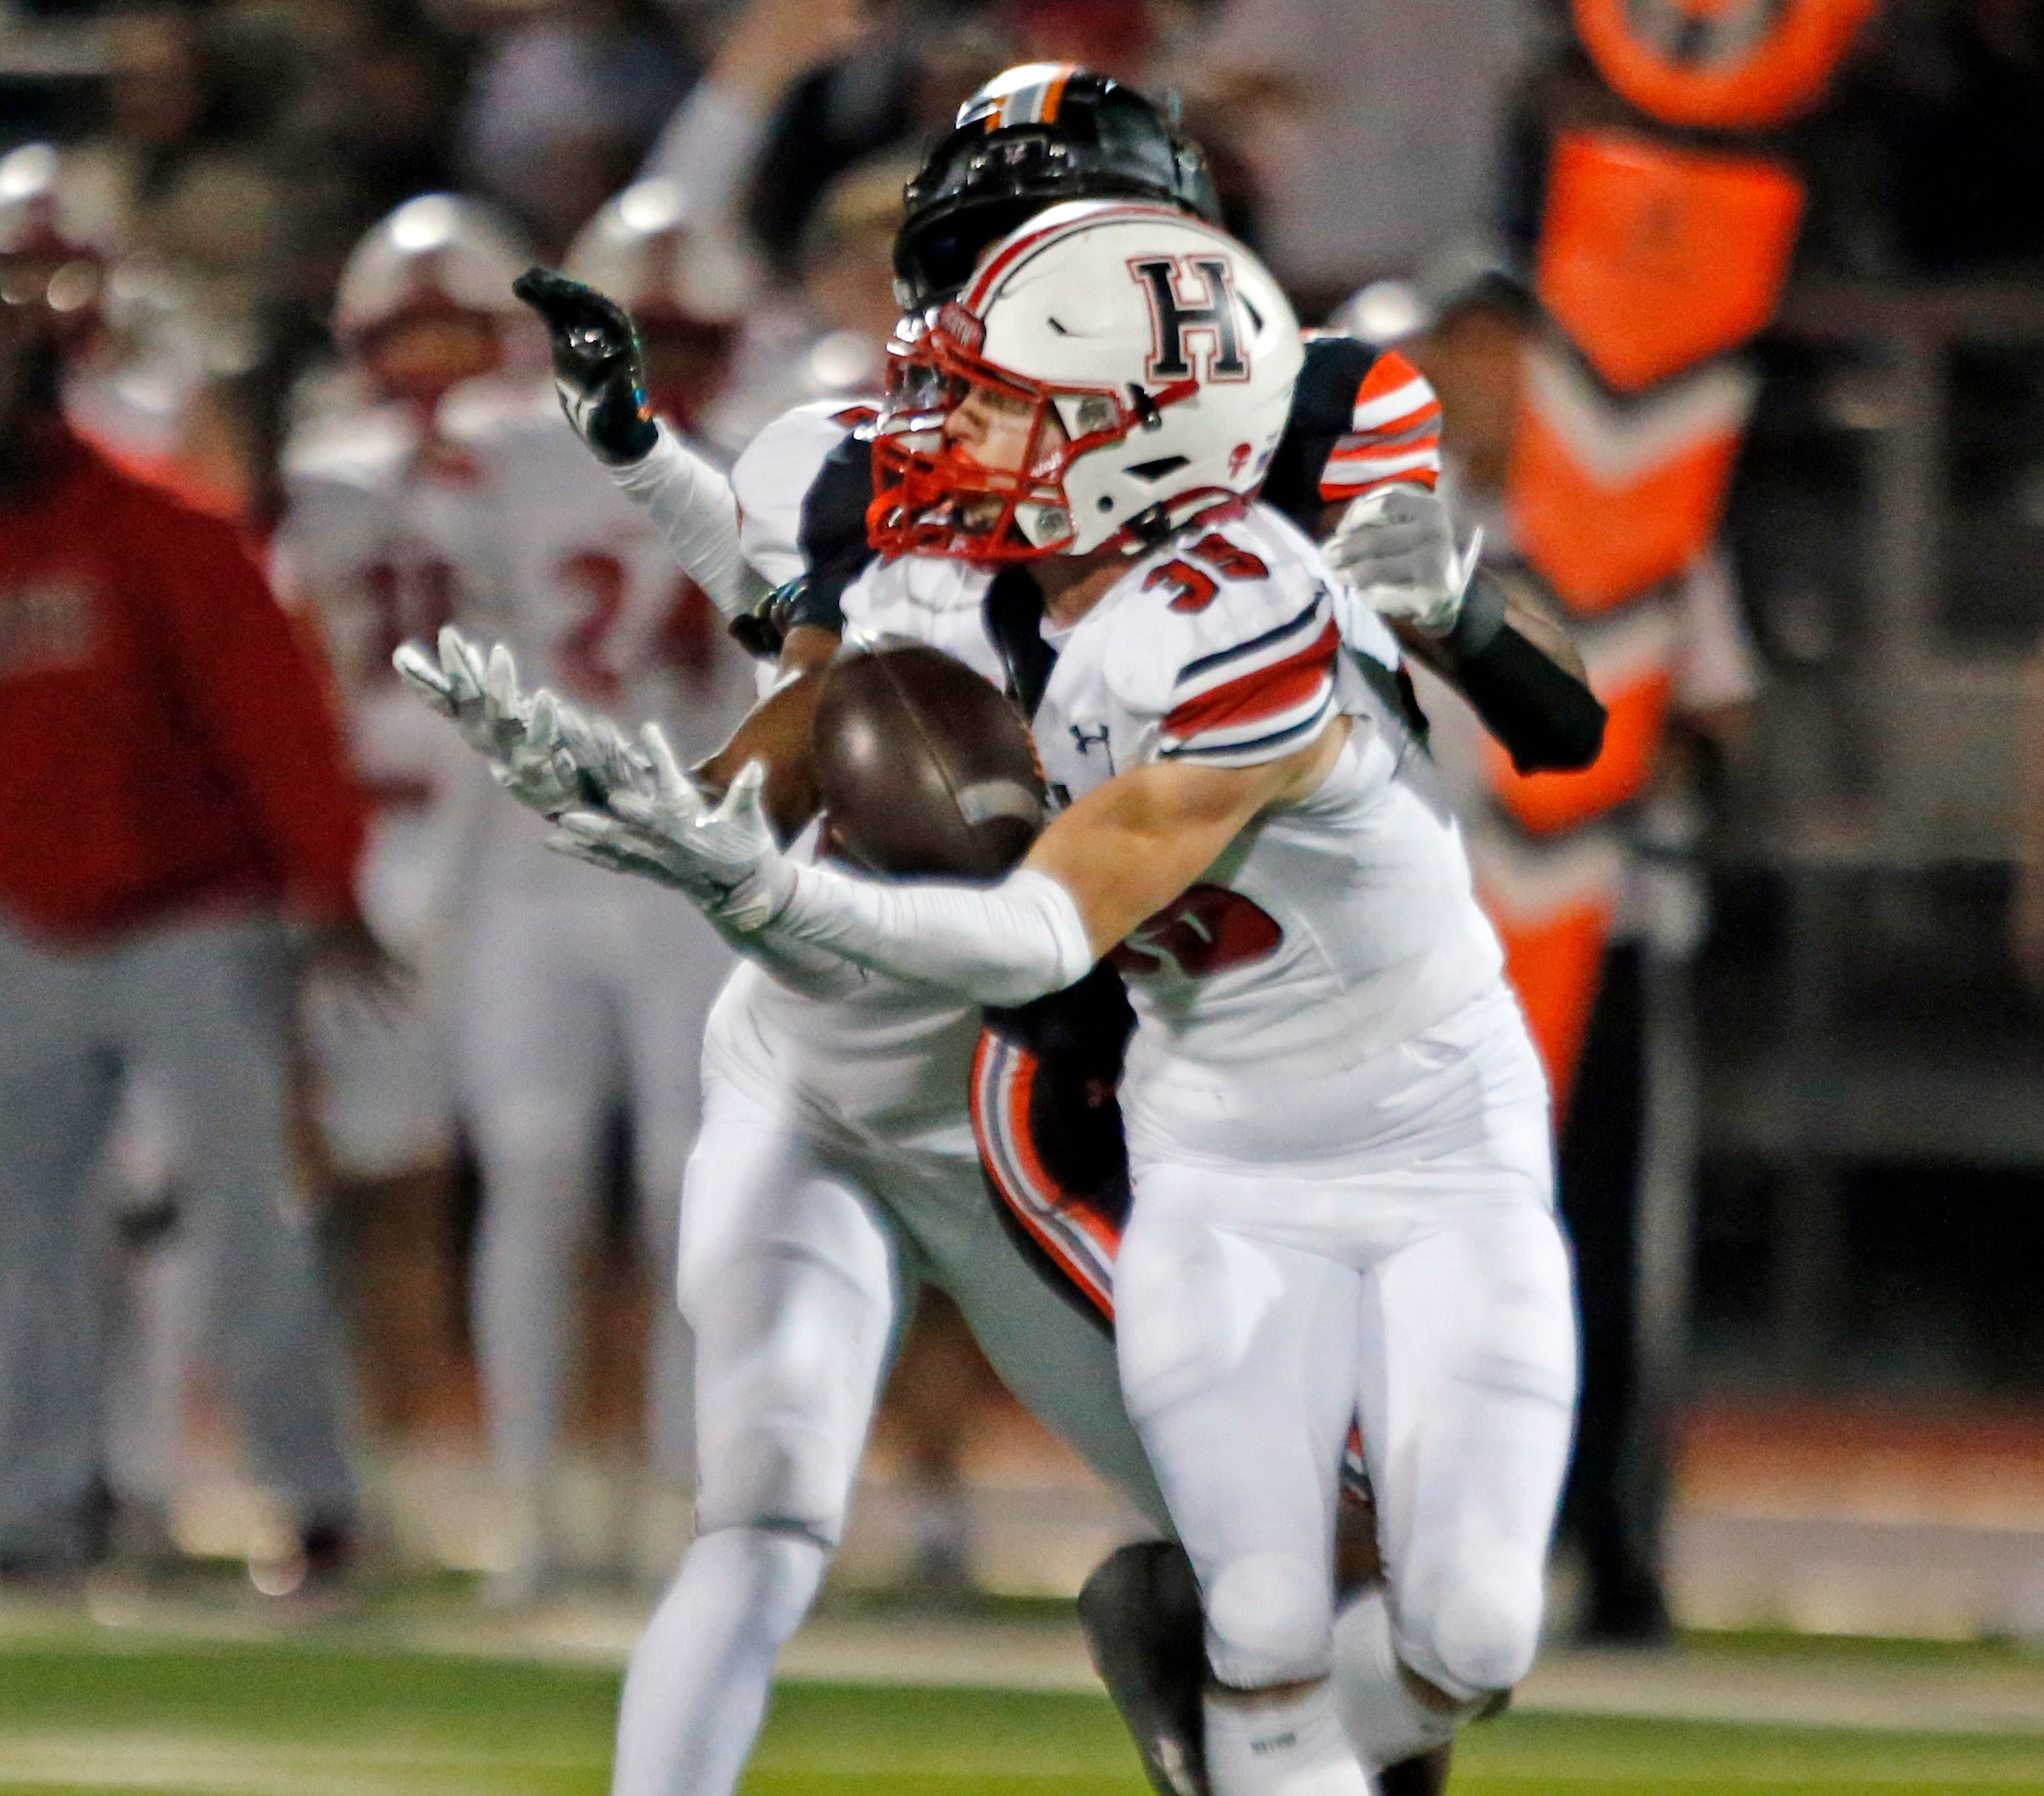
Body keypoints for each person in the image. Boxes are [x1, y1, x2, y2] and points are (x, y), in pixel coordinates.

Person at [431, 62, 1599, 1796]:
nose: (947, 340)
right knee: (1242, 1546)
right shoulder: (889, 476)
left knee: (1396, 1563)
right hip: (1076, 1031)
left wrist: (1456, 620)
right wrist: (681, 771)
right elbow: (821, 672)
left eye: (1004, 274)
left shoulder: (1303, 445)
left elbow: (1529, 718)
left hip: (1286, 1003)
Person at [0, 179, 372, 1589]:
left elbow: (271, 716)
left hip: (191, 917)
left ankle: (315, 1502)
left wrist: (325, 888)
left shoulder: (159, 522)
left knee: (244, 1223)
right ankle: (40, 1506)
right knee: (19, 1243)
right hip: (26, 924)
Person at [432, 181, 758, 1603]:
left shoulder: (767, 466)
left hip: (692, 869)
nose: (665, 370)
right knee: (538, 1172)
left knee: (693, 1187)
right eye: (646, 336)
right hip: (532, 859)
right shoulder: (494, 460)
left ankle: (693, 1493)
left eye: (689, 340)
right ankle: (527, 1496)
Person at [274, 191, 538, 1440]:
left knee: (555, 1183)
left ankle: (554, 1463)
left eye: (455, 336)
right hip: (398, 848)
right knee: (389, 1178)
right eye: (411, 337)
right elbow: (291, 676)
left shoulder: (334, 475)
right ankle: (397, 1448)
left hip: (517, 859)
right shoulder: (328, 480)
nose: (432, 369)